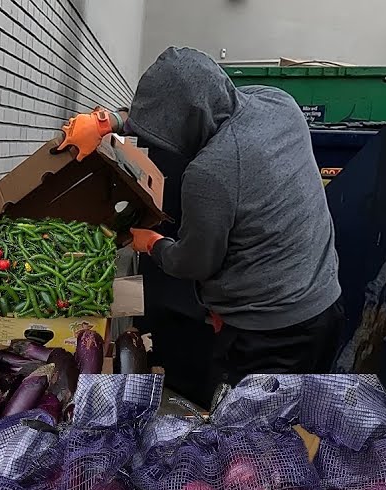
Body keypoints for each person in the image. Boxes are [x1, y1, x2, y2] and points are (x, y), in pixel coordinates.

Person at [60, 47, 343, 384]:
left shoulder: (211, 170)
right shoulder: (278, 103)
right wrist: (113, 121)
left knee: (246, 432)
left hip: (271, 336)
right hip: (325, 304)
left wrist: (152, 244)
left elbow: (195, 263)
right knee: (301, 418)